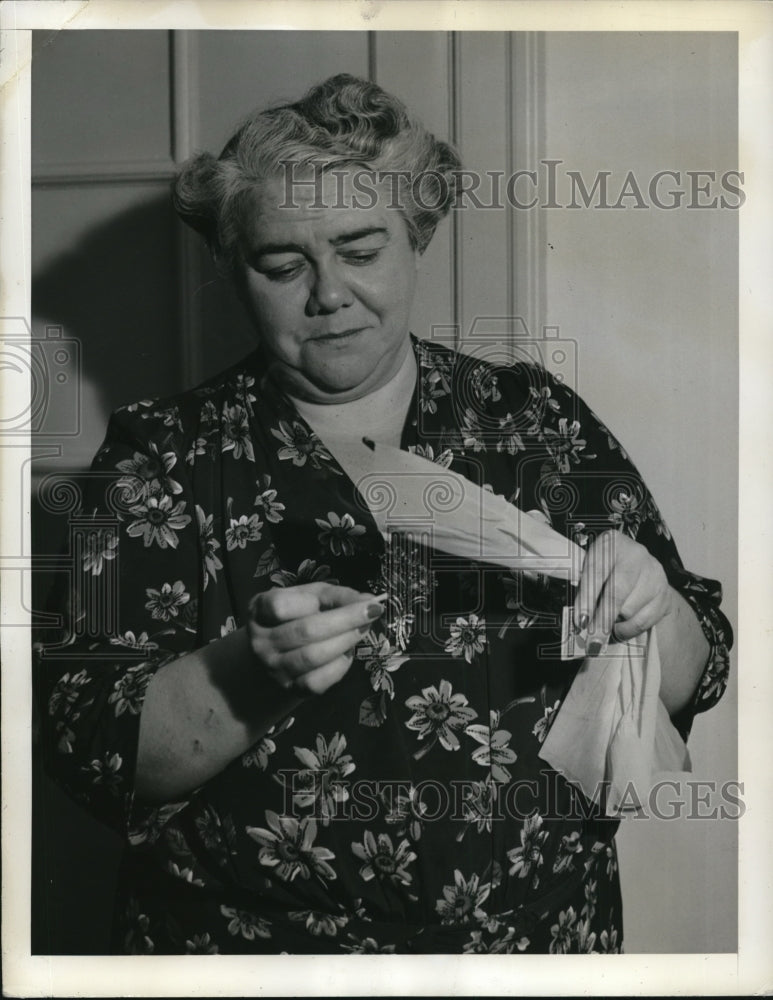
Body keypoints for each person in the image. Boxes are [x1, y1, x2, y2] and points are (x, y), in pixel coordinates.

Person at [36, 73, 732, 955]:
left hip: (533, 946)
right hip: (257, 957)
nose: (327, 294)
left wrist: (653, 608)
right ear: (231, 267)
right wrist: (247, 671)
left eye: (360, 251)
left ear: (417, 241)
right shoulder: (155, 457)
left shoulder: (535, 421)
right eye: (282, 265)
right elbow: (87, 749)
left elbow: (696, 670)